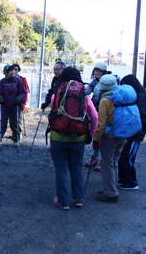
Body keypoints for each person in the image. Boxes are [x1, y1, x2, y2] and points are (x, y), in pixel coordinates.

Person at [49, 67, 98, 210]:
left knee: (61, 169)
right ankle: (78, 199)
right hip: (78, 137)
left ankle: (63, 201)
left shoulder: (57, 93)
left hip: (58, 137)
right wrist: (91, 133)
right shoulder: (84, 94)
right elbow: (94, 116)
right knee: (76, 168)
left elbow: (54, 111)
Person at [93, 75, 126, 203]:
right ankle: (112, 188)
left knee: (107, 165)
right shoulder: (121, 96)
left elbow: (101, 123)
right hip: (123, 134)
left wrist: (96, 139)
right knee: (114, 163)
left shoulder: (105, 100)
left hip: (110, 137)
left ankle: (111, 193)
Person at [117, 75, 146, 190]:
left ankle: (132, 182)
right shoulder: (139, 94)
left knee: (128, 157)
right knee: (124, 156)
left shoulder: (140, 97)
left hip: (135, 134)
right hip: (131, 132)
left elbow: (138, 115)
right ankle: (123, 179)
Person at [0, 65, 26, 149]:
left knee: (15, 123)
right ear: (6, 72)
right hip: (5, 105)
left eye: (14, 70)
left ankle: (15, 140)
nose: (13, 72)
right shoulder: (2, 82)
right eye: (10, 71)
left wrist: (20, 98)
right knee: (2, 123)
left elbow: (23, 93)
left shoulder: (19, 81)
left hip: (15, 105)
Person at [13, 63, 29, 138]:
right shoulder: (8, 80)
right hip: (11, 102)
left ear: (18, 70)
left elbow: (25, 91)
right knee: (12, 119)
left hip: (20, 102)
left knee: (19, 119)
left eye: (16, 69)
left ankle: (19, 134)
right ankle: (14, 134)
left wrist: (24, 102)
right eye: (13, 69)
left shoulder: (22, 79)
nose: (14, 71)